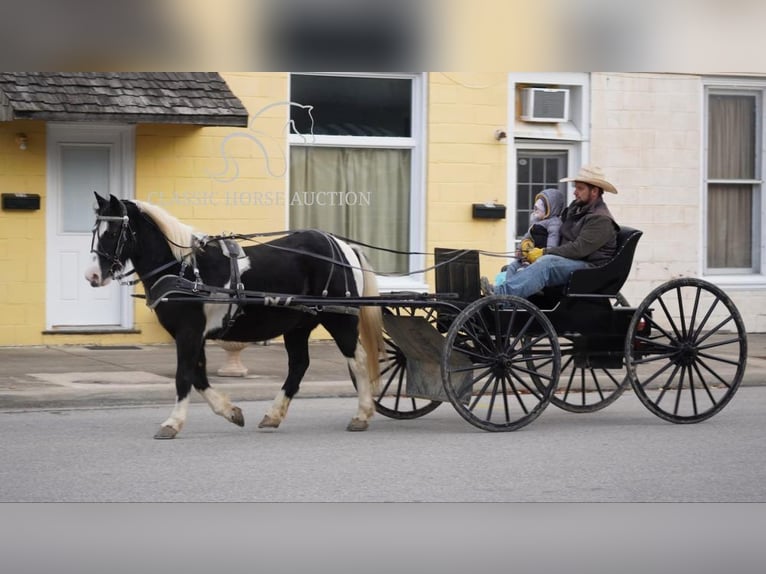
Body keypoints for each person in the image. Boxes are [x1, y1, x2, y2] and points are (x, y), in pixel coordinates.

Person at [487, 165, 619, 299]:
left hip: (590, 268)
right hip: (571, 260)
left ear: (594, 191)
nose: (575, 192)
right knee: (520, 263)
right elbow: (553, 232)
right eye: (575, 188)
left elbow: (578, 249)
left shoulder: (600, 219)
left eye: (580, 188)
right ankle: (515, 297)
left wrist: (544, 252)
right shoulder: (575, 210)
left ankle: (501, 296)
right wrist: (529, 244)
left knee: (547, 263)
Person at [492, 187, 566, 288]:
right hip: (528, 256)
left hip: (539, 259)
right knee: (513, 266)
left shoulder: (554, 223)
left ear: (550, 209)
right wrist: (520, 247)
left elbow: (552, 245)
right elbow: (527, 236)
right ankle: (504, 291)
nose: (535, 211)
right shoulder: (536, 222)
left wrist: (542, 254)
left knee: (522, 272)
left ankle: (510, 293)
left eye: (539, 209)